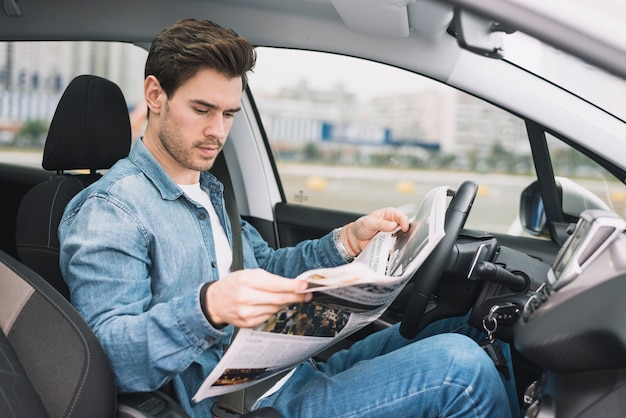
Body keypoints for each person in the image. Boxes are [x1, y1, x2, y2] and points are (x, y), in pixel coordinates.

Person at [59, 18, 516, 418]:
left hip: (285, 373)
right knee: (460, 368)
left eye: (229, 114)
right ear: (155, 95)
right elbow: (106, 360)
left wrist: (347, 242)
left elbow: (267, 268)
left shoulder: (207, 191)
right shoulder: (111, 210)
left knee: (474, 321)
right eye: (202, 110)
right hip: (237, 406)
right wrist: (208, 308)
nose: (218, 131)